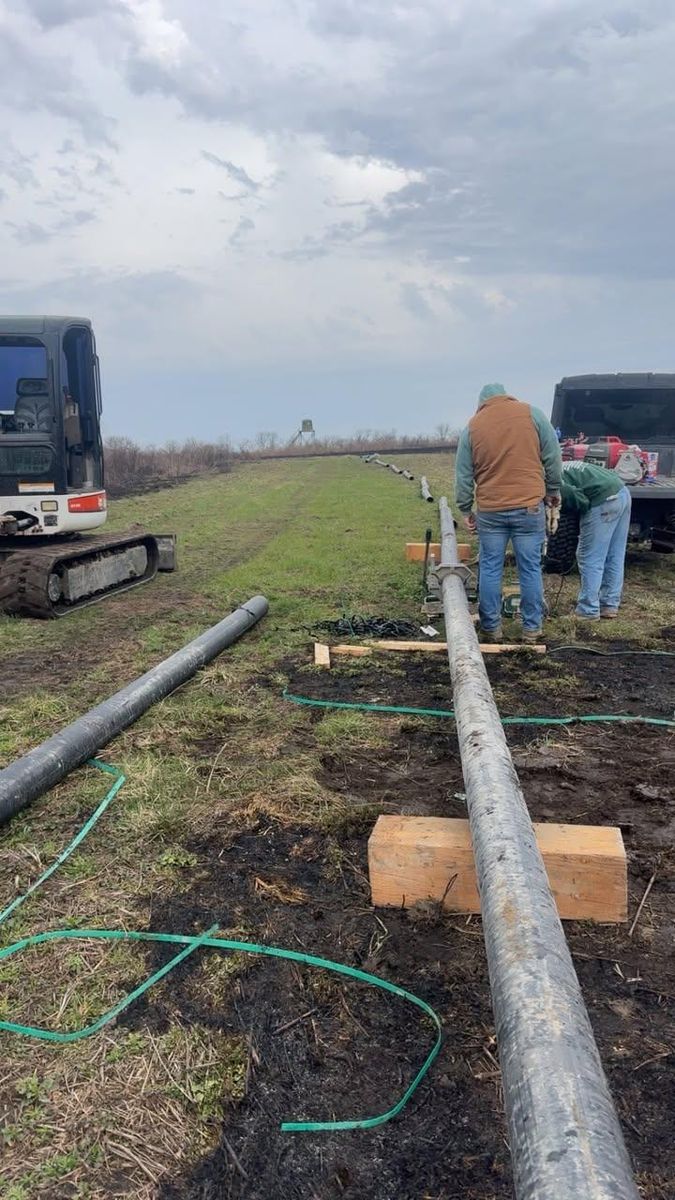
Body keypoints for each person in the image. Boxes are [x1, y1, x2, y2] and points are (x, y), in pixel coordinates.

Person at [455, 383, 563, 643]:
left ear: (482, 402)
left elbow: (463, 474)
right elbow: (552, 455)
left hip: (491, 510)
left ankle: (492, 628)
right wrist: (553, 488)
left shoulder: (473, 426)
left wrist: (465, 508)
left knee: (491, 568)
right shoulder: (533, 415)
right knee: (530, 569)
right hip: (529, 506)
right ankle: (532, 629)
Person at [559, 460, 632, 619]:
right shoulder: (564, 466)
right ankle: (609, 604)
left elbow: (577, 499)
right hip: (622, 492)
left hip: (604, 500)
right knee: (615, 554)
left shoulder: (549, 476)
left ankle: (588, 610)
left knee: (589, 556)